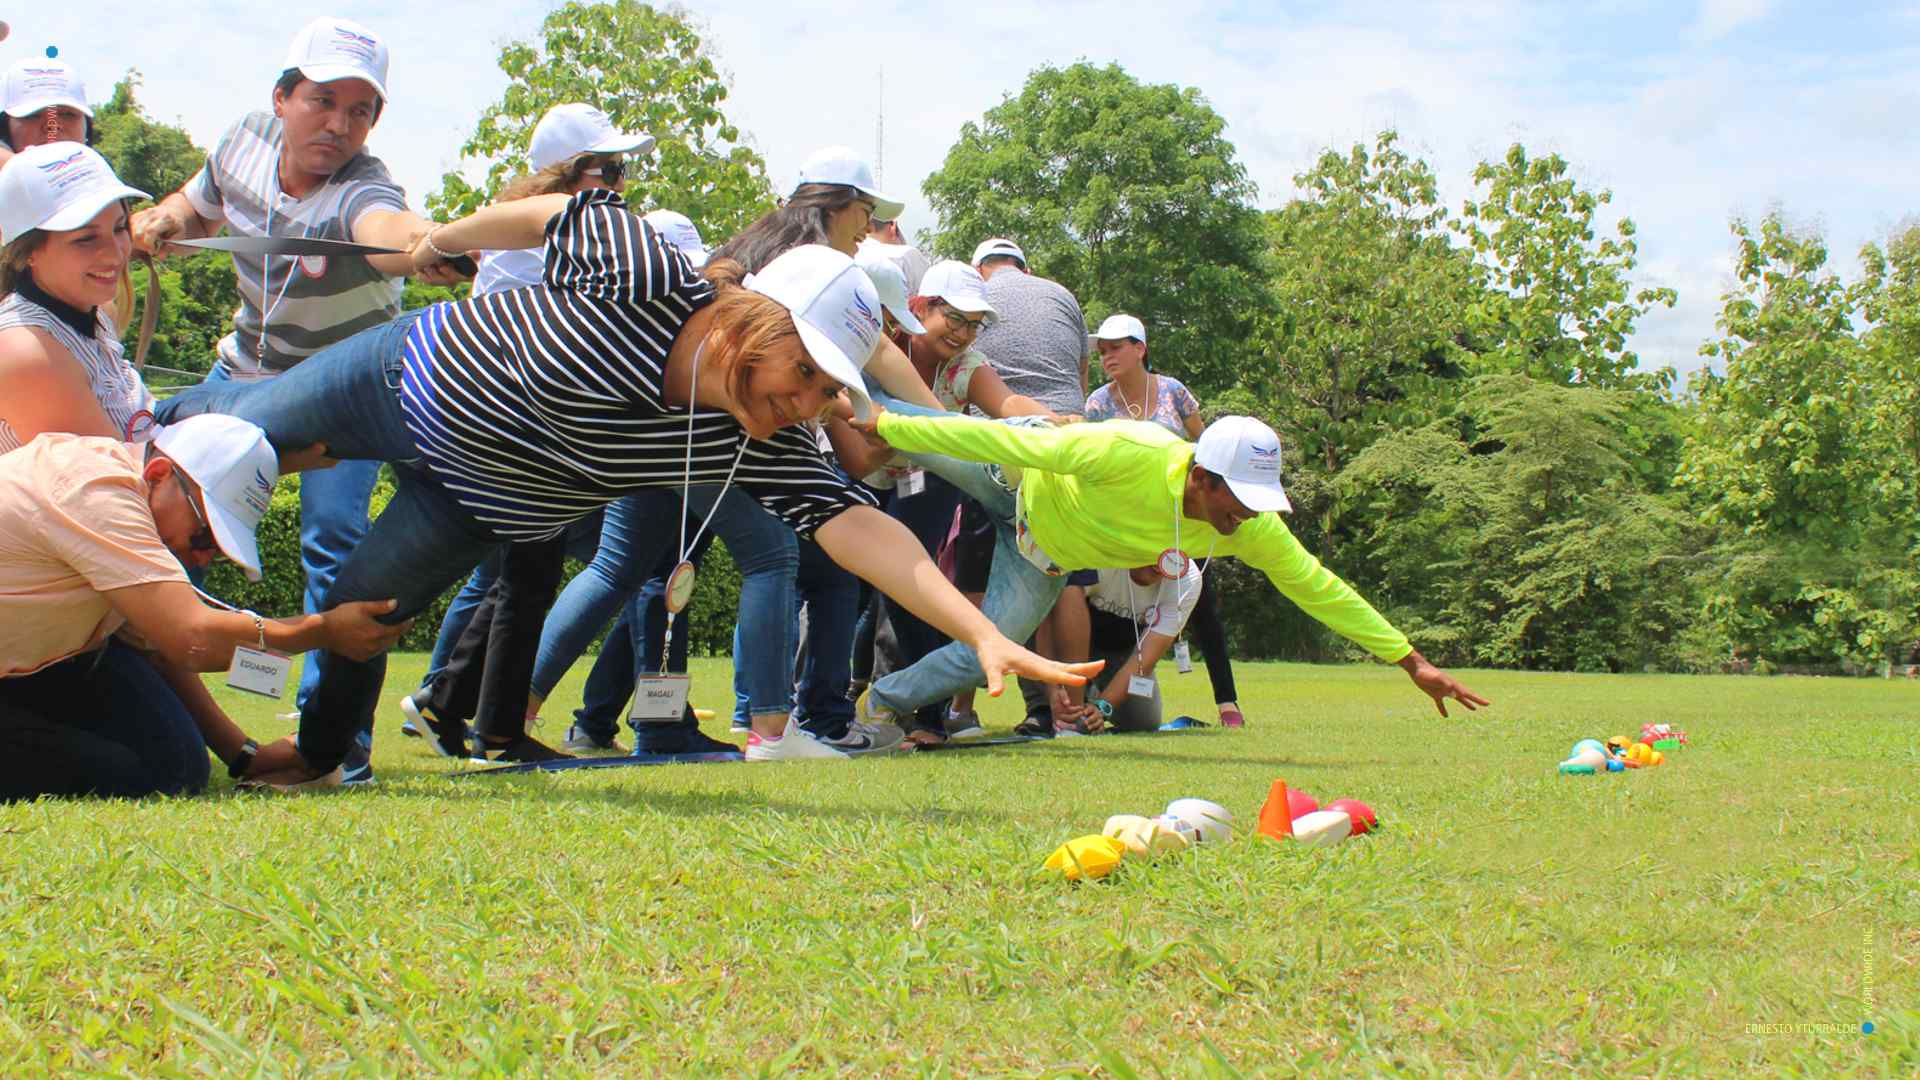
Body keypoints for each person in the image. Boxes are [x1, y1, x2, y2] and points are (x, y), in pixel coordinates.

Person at [156, 184, 1098, 787]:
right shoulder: (652, 277)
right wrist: (443, 236)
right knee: (236, 428)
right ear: (757, 328)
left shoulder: (753, 440)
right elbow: (553, 213)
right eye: (804, 376)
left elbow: (863, 533)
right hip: (409, 379)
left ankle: (315, 754)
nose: (808, 406)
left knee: (363, 611)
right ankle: (122, 428)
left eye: (828, 391)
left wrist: (982, 633)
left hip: (481, 501)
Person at [128, 17, 463, 779]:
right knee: (161, 512)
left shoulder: (364, 187)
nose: (339, 125)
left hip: (340, 397)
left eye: (360, 111)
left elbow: (390, 229)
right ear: (280, 98)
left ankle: (336, 748)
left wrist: (430, 245)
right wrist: (166, 220)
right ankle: (153, 679)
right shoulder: (241, 140)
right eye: (323, 101)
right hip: (240, 374)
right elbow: (196, 202)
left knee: (336, 551)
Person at [852, 408, 1489, 730]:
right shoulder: (1128, 450)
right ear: (1203, 477)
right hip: (1011, 476)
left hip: (1041, 558)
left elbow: (1318, 587)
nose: (1246, 519)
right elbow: (1008, 441)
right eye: (1240, 501)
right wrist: (890, 424)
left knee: (981, 652)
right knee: (897, 428)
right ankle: (825, 394)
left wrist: (1411, 660)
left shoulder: (1245, 527)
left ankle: (877, 704)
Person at [396, 102, 654, 763]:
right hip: (517, 423)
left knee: (522, 577)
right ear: (568, 175)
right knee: (526, 578)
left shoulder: (545, 232)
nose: (621, 184)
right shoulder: (557, 233)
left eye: (623, 170)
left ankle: (445, 703)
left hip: (518, 422)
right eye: (609, 169)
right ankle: (498, 732)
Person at [0, 415, 407, 799]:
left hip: (48, 663)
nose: (202, 559)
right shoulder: (92, 491)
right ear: (159, 475)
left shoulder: (127, 496)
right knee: (133, 770)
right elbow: (190, 637)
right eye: (204, 535)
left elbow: (156, 645)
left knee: (174, 767)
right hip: (34, 667)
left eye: (217, 548)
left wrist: (245, 755)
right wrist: (320, 631)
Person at [1083, 313, 1244, 727]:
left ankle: (1228, 703)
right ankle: (1073, 695)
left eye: (1116, 347)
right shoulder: (1098, 403)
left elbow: (1203, 444)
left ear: (1141, 348)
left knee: (1202, 600)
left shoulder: (1173, 392)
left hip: (1179, 514)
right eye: (1102, 351)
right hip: (1126, 519)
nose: (1108, 357)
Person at [964, 236, 1098, 734]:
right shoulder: (1061, 294)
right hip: (1067, 435)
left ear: (982, 270)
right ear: (1024, 265)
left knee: (990, 572)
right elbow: (1082, 373)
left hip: (999, 441)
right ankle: (1074, 709)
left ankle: (971, 709)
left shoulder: (977, 298)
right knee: (1067, 576)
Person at [0, 143, 158, 454]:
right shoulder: (27, 353)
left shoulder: (92, 310)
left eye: (120, 227)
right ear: (28, 251)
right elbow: (113, 484)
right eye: (85, 239)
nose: (115, 253)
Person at [1078, 562, 1204, 731]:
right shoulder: (1101, 554)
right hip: (1070, 643)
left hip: (1122, 651)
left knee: (1143, 722)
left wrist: (1102, 707)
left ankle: (1093, 696)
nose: (1160, 563)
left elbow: (1143, 660)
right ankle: (1042, 708)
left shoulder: (1188, 579)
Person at [0, 56, 92, 167]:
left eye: (67, 114)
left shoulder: (108, 180)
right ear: (5, 128)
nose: (52, 126)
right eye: (33, 115)